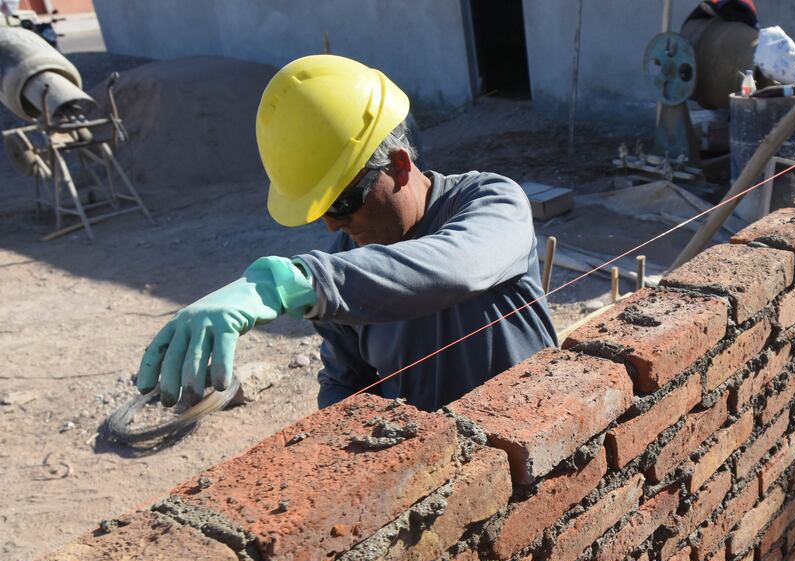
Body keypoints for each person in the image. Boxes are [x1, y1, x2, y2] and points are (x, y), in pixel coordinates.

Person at [135, 54, 558, 412]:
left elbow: (458, 266)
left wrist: (297, 283)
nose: (333, 224)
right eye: (319, 210)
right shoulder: (342, 267)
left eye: (340, 202)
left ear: (398, 165)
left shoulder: (491, 200)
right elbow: (344, 380)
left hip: (540, 435)